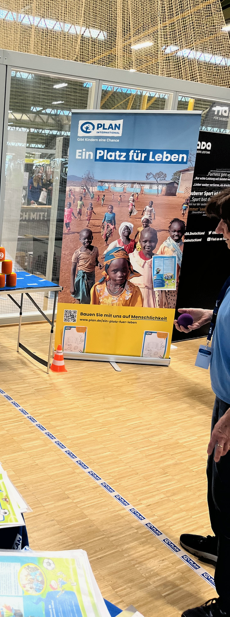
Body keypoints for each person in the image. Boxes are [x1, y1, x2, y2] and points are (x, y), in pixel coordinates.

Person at [176, 189, 230, 617]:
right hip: (224, 399)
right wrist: (209, 315)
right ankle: (221, 541)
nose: (217, 231)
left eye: (225, 224)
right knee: (216, 478)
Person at [155, 218, 185, 309]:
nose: (176, 234)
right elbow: (157, 264)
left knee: (173, 306)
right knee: (163, 305)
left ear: (184, 232)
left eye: (179, 231)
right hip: (165, 282)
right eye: (174, 231)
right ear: (169, 231)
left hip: (177, 283)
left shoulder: (183, 246)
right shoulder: (165, 246)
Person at [129, 227, 158, 308]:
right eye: (145, 241)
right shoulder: (131, 258)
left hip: (153, 300)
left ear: (156, 241)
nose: (148, 245)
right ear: (140, 242)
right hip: (134, 300)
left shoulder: (160, 261)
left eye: (151, 241)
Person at [70, 229, 101, 304]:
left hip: (91, 277)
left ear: (92, 238)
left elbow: (94, 261)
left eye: (89, 238)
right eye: (84, 239)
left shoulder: (95, 250)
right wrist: (72, 286)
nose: (87, 240)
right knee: (79, 297)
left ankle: (86, 313)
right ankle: (77, 311)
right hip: (81, 277)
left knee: (90, 296)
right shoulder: (77, 253)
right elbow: (73, 269)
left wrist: (98, 263)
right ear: (80, 239)